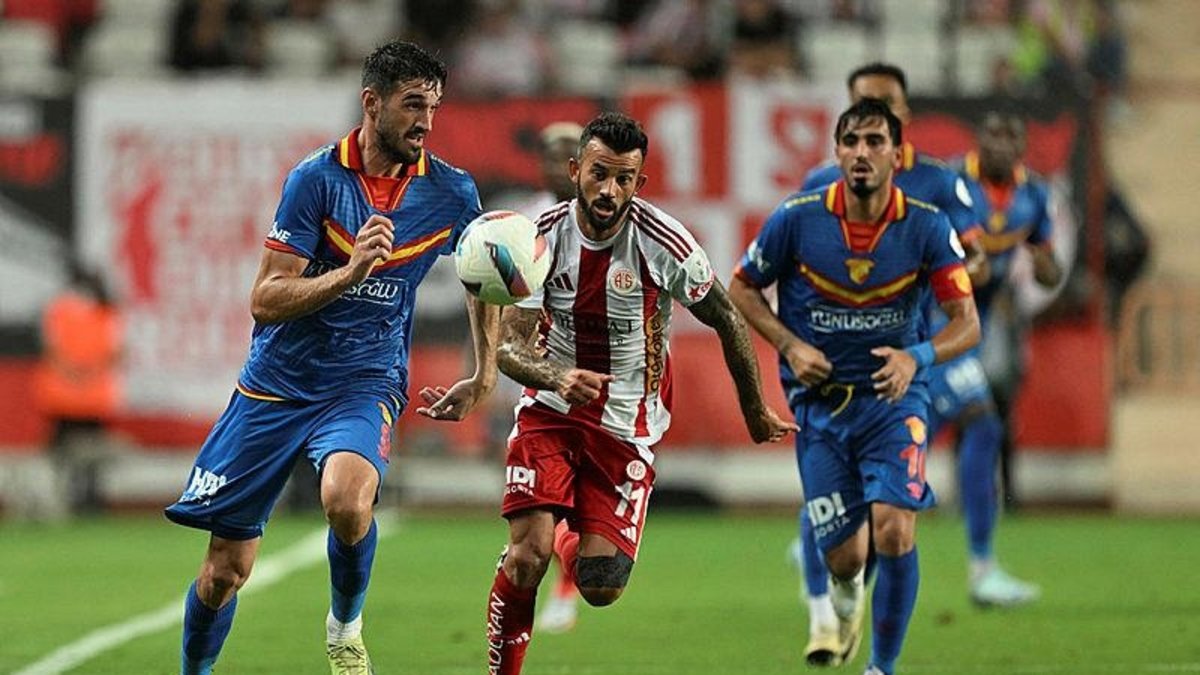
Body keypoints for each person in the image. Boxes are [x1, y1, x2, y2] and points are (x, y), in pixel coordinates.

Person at [164, 41, 499, 675]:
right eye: (411, 105)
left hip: (363, 378)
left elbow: (484, 279)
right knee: (223, 573)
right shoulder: (315, 180)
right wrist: (348, 274)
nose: (426, 121)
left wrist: (484, 373)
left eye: (433, 106)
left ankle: (345, 629)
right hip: (276, 385)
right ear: (371, 103)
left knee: (348, 501)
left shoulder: (453, 192)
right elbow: (264, 299)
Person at [483, 111, 796, 675]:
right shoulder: (540, 239)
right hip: (550, 411)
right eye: (599, 174)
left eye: (624, 179)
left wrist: (754, 409)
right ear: (577, 170)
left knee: (601, 586)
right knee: (526, 557)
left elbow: (726, 316)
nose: (609, 190)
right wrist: (557, 378)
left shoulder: (666, 243)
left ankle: (564, 525)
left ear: (639, 183)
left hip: (627, 424)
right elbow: (511, 349)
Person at [730, 98, 981, 675]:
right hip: (820, 410)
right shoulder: (797, 218)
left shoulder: (927, 225)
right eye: (851, 142)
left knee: (894, 530)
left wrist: (917, 356)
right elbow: (741, 288)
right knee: (845, 560)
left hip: (895, 403)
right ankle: (845, 598)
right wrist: (791, 345)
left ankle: (881, 667)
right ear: (837, 151)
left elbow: (967, 323)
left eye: (874, 141)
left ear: (898, 152)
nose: (861, 152)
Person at [790, 61, 990, 667]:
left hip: (913, 358)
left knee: (900, 515)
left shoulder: (937, 186)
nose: (873, 125)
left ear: (903, 118)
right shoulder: (816, 190)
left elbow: (974, 262)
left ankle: (889, 648)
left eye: (887, 109)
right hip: (834, 375)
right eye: (862, 111)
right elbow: (773, 276)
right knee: (833, 512)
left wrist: (936, 276)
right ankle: (827, 608)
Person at [940, 111, 1062, 585]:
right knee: (977, 424)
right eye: (993, 134)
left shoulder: (1033, 194)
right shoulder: (950, 182)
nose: (1002, 145)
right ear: (979, 140)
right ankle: (982, 568)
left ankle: (823, 539)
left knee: (974, 425)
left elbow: (1047, 264)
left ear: (1022, 145)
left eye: (1012, 136)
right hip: (929, 319)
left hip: (975, 327)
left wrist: (1048, 270)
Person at [506, 120, 587, 636]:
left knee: (583, 507)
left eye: (568, 156)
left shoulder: (615, 222)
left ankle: (566, 589)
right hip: (540, 375)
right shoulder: (525, 223)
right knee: (546, 503)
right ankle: (557, 588)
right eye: (550, 156)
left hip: (602, 381)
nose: (559, 166)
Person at [33, 259, 122, 514]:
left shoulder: (58, 310)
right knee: (91, 454)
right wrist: (91, 372)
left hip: (62, 395)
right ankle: (90, 499)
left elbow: (52, 349)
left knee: (61, 454)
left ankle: (59, 501)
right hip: (95, 396)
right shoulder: (107, 312)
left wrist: (73, 374)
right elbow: (116, 352)